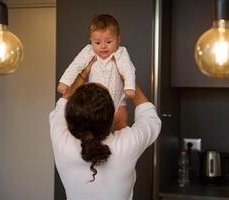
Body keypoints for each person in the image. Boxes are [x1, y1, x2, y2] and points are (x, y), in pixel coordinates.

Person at [49, 61, 161, 200]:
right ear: (111, 117)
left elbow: (62, 104)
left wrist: (83, 74)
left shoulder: (61, 140)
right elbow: (150, 118)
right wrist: (127, 79)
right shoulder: (127, 143)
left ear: (70, 114)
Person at [57, 14, 136, 130]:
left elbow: (128, 69)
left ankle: (120, 143)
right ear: (91, 41)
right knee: (93, 125)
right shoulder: (89, 51)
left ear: (118, 39)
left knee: (122, 122)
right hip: (96, 103)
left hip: (118, 101)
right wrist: (65, 82)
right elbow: (75, 65)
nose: (103, 46)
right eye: (97, 43)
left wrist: (129, 86)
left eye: (109, 42)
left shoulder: (121, 53)